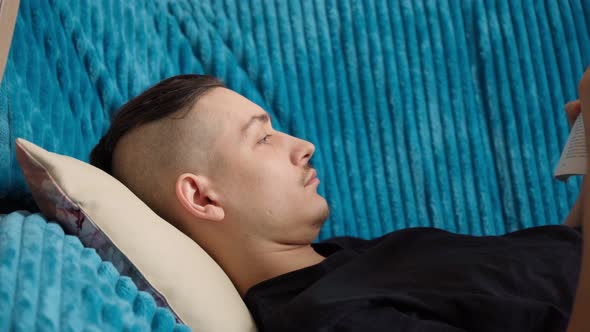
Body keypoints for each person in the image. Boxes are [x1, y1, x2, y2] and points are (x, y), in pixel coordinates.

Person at [89, 73, 588, 332]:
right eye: (261, 138)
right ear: (202, 197)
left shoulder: (338, 262)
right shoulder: (329, 320)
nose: (302, 144)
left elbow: (547, 285)